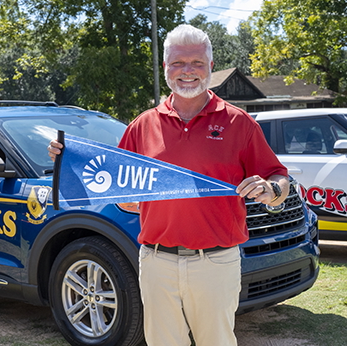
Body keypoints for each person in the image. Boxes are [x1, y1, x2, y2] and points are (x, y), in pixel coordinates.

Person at [48, 24, 289, 346]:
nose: (187, 72)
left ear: (211, 67)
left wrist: (271, 190)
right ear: (165, 68)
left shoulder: (237, 122)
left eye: (197, 63)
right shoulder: (142, 125)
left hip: (216, 262)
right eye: (178, 63)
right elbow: (118, 189)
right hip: (156, 261)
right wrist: (67, 160)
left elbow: (279, 178)